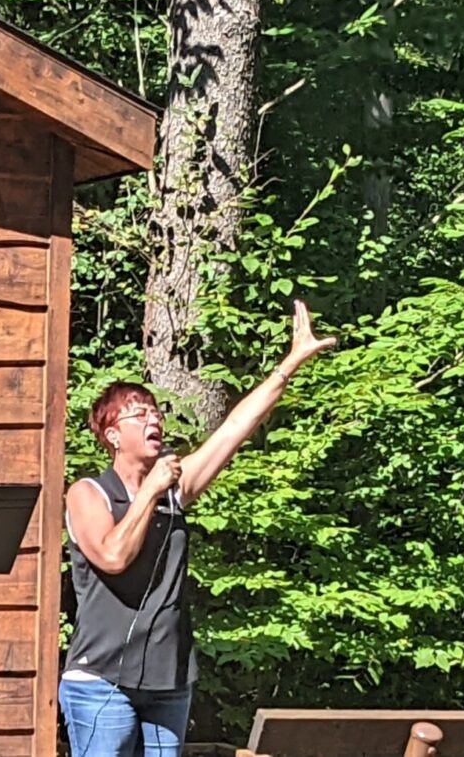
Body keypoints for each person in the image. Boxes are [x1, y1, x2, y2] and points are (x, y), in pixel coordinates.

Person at [59, 300, 336, 757]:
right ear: (111, 435)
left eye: (155, 412)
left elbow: (233, 429)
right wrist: (149, 492)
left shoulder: (174, 487)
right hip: (101, 682)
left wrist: (289, 365)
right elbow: (112, 556)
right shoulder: (89, 492)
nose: (154, 419)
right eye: (139, 414)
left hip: (168, 681)